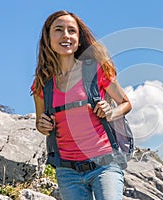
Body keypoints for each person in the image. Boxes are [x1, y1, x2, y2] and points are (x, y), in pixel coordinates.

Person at [31, 10, 132, 200]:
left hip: (105, 163)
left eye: (71, 31)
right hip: (67, 171)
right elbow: (40, 124)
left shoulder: (95, 70)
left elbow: (125, 103)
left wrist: (110, 112)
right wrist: (42, 125)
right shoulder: (42, 83)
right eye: (58, 30)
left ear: (78, 39)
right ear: (48, 38)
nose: (66, 35)